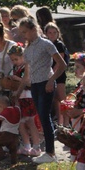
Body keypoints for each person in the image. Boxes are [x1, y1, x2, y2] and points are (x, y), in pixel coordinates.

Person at [18, 16, 67, 164]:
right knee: (41, 116)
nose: (24, 35)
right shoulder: (29, 47)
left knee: (45, 118)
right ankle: (47, 151)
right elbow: (27, 72)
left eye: (25, 32)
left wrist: (51, 81)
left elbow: (62, 64)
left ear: (34, 29)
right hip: (35, 85)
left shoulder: (46, 44)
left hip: (46, 83)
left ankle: (50, 152)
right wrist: (19, 90)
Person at [8, 44, 42, 156]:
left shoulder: (26, 68)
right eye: (12, 60)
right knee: (21, 122)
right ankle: (27, 145)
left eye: (16, 59)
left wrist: (17, 79)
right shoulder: (15, 68)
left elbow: (29, 82)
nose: (14, 62)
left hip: (27, 97)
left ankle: (36, 146)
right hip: (18, 98)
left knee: (30, 121)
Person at [44, 22, 69, 124]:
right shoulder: (45, 44)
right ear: (46, 33)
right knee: (55, 100)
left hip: (58, 75)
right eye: (50, 32)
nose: (52, 34)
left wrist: (52, 75)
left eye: (54, 32)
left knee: (62, 99)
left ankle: (67, 122)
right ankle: (60, 121)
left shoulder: (59, 44)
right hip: (49, 74)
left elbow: (59, 62)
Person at [0, 95, 21, 164]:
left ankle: (1, 155)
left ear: (1, 106)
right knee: (13, 148)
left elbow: (1, 118)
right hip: (15, 133)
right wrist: (16, 100)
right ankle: (14, 161)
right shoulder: (15, 110)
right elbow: (18, 106)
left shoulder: (6, 111)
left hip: (7, 133)